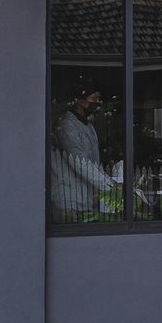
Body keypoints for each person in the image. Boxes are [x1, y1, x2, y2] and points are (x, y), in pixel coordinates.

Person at [49, 83, 116, 222]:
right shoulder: (66, 125)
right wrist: (110, 186)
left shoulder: (88, 126)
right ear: (80, 100)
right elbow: (79, 161)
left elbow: (93, 163)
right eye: (93, 99)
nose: (97, 103)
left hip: (85, 200)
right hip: (69, 200)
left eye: (98, 99)